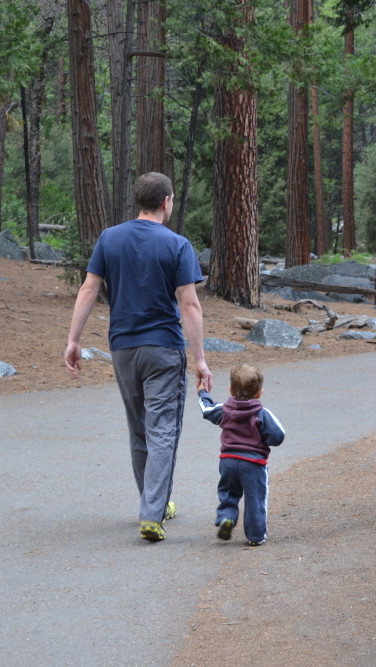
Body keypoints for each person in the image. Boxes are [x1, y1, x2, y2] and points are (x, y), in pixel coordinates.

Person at [64, 172, 213, 543]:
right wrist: (200, 359)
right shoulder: (178, 245)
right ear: (166, 202)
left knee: (139, 428)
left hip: (123, 349)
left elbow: (89, 288)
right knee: (163, 429)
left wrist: (73, 339)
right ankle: (152, 512)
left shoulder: (109, 238)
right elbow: (190, 306)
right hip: (162, 347)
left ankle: (154, 502)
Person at [197, 363, 285, 546]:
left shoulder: (225, 410)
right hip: (253, 464)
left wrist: (202, 393)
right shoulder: (262, 414)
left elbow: (207, 410)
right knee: (255, 499)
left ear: (230, 390)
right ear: (260, 392)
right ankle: (256, 536)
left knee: (229, 492)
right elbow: (278, 436)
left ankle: (226, 517)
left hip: (228, 461)